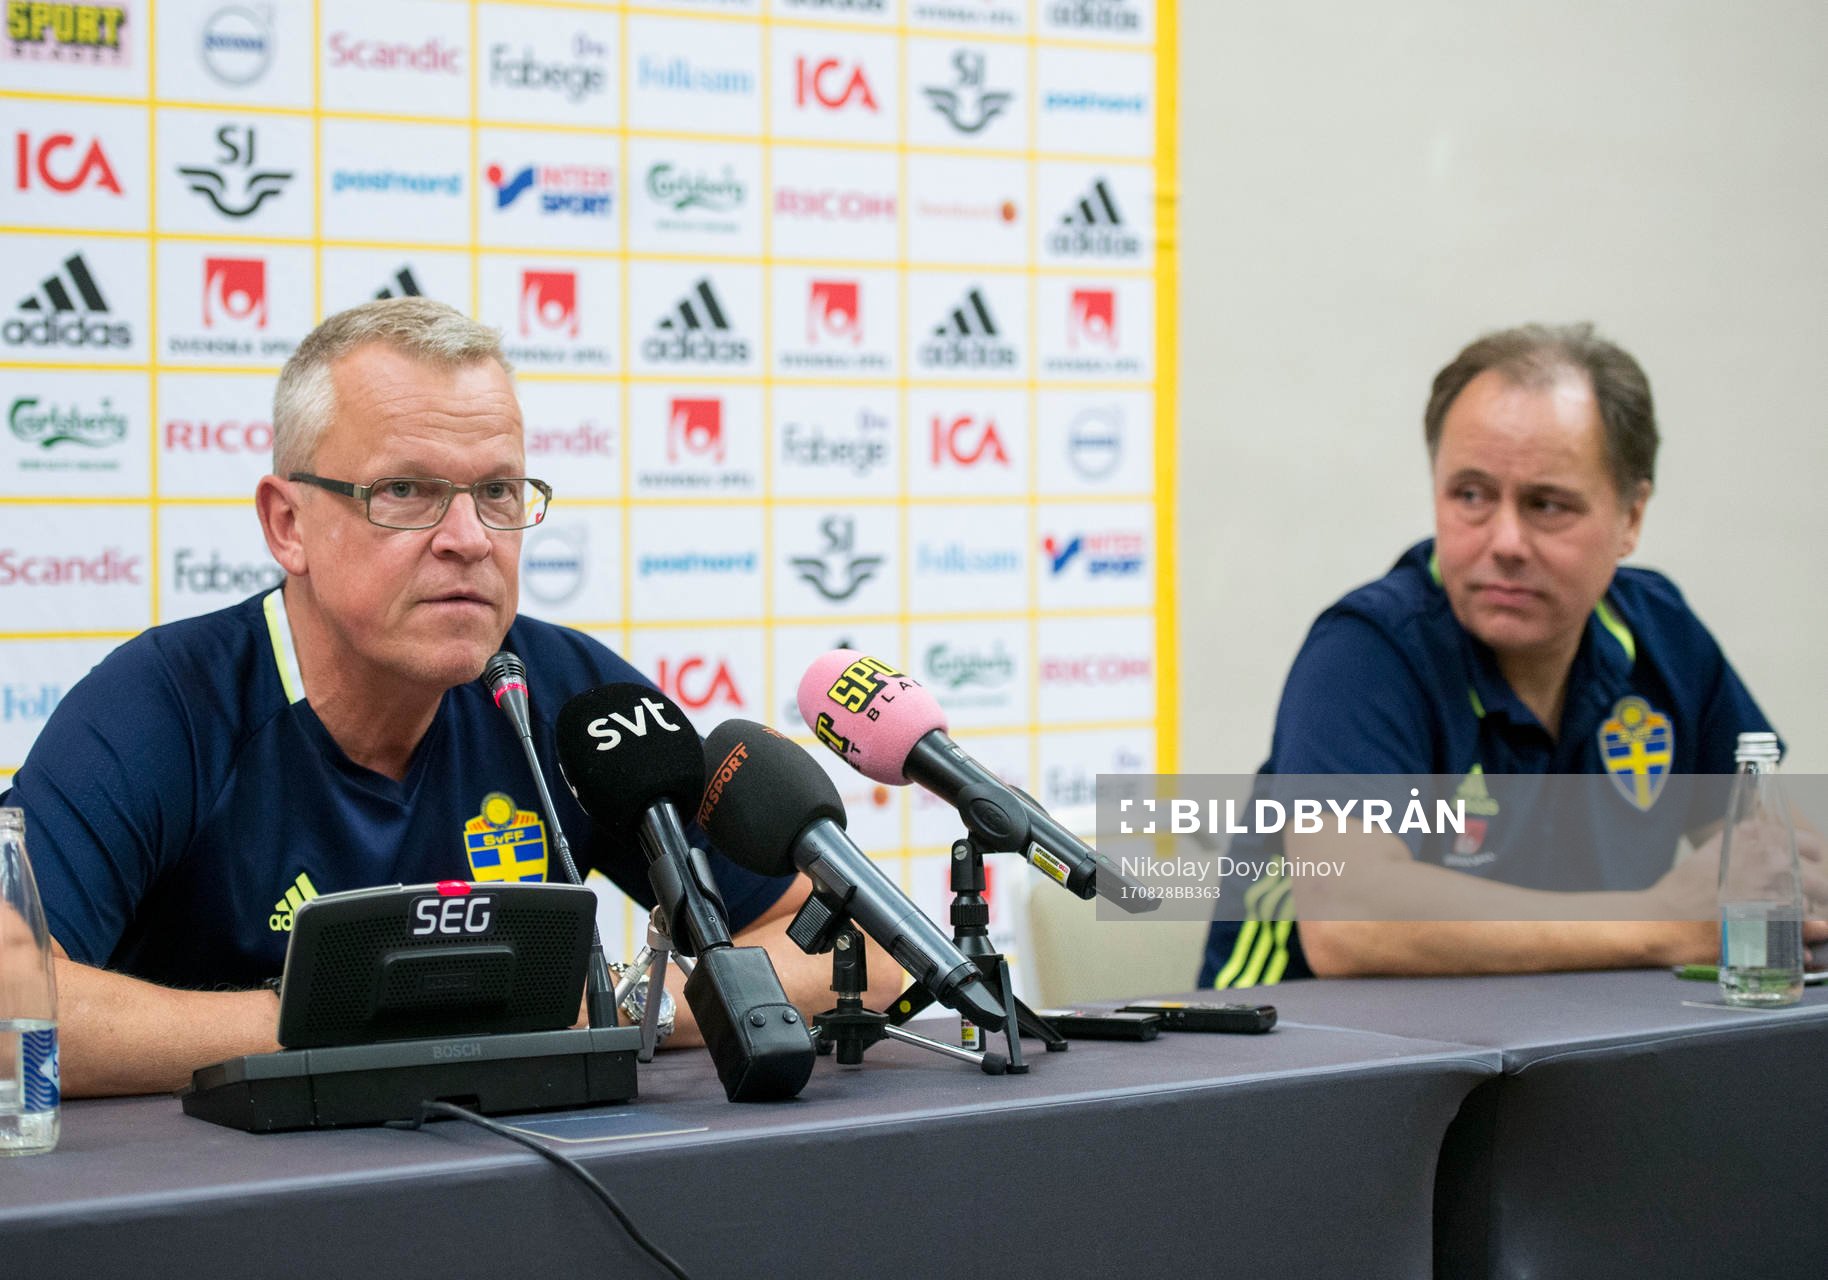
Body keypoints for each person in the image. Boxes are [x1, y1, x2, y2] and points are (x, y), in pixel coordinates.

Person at [2, 298, 899, 1096]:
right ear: (288, 525)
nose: (469, 538)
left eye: (498, 492)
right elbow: (8, 1002)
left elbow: (865, 948)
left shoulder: (567, 696)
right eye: (406, 491)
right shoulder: (165, 705)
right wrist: (364, 1021)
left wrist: (625, 1011)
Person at [1200, 323, 1826, 987]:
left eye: (1546, 504)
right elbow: (1352, 923)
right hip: (1303, 1057)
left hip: (1547, 1054)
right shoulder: (1366, 649)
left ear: (1631, 517)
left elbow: (1785, 870)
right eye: (1470, 495)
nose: (1504, 541)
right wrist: (1663, 922)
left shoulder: (1663, 636)